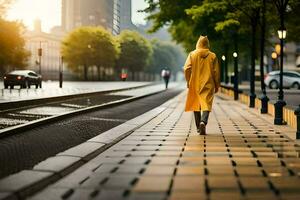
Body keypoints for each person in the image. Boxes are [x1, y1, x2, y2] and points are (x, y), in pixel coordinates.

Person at [184, 36, 220, 135]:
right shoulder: (213, 56)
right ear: (207, 44)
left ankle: (198, 128)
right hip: (208, 83)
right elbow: (216, 72)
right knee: (206, 104)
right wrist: (217, 85)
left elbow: (187, 68)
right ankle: (203, 122)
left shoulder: (192, 54)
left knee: (196, 105)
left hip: (195, 83)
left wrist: (188, 80)